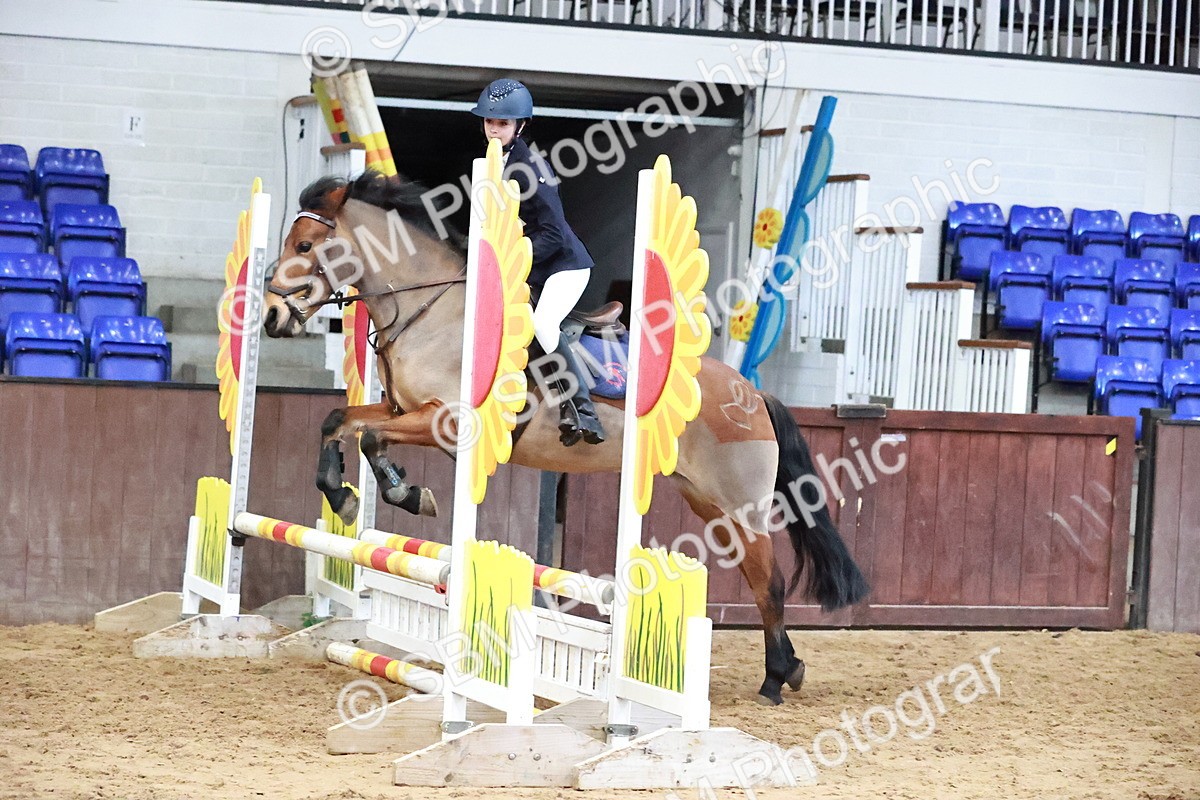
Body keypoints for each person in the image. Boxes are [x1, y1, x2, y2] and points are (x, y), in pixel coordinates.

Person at [471, 78, 605, 446]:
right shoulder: (491, 165)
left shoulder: (531, 168)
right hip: (530, 264)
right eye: (489, 122)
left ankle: (585, 411)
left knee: (542, 324)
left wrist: (512, 262)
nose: (494, 130)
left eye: (502, 124)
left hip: (563, 265)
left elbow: (554, 233)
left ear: (521, 126)